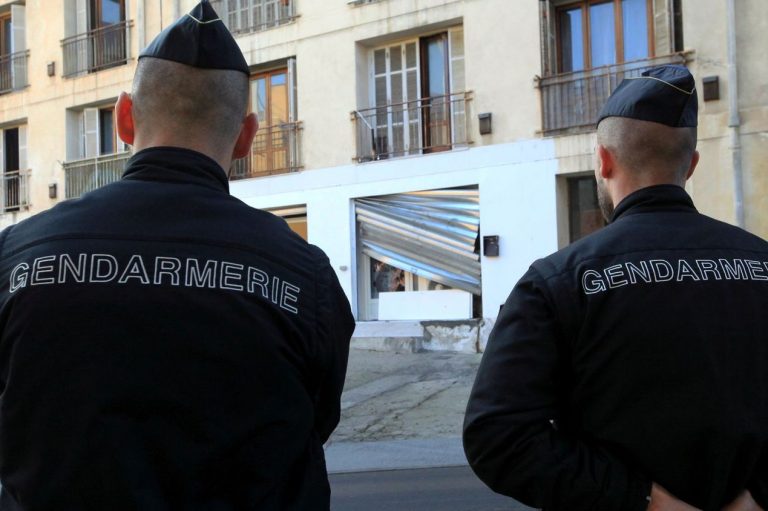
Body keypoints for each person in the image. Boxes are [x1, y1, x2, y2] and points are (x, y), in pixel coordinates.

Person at [0, 3, 354, 510]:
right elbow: (316, 419)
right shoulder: (303, 276)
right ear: (246, 137)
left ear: (124, 117)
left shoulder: (18, 255)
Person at [463, 65, 768, 511]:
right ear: (692, 165)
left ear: (603, 161)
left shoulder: (558, 281)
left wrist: (644, 499)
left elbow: (497, 437)